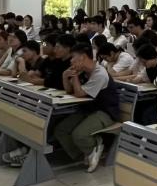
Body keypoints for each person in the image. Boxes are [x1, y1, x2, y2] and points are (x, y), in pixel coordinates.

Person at [38, 45, 119, 173]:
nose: (71, 61)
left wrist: (74, 76)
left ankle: (94, 146)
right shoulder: (84, 71)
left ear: (82, 57)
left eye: (73, 57)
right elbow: (70, 90)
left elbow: (79, 93)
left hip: (105, 112)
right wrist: (65, 76)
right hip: (87, 110)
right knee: (61, 130)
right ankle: (86, 152)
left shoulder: (100, 74)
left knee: (79, 135)